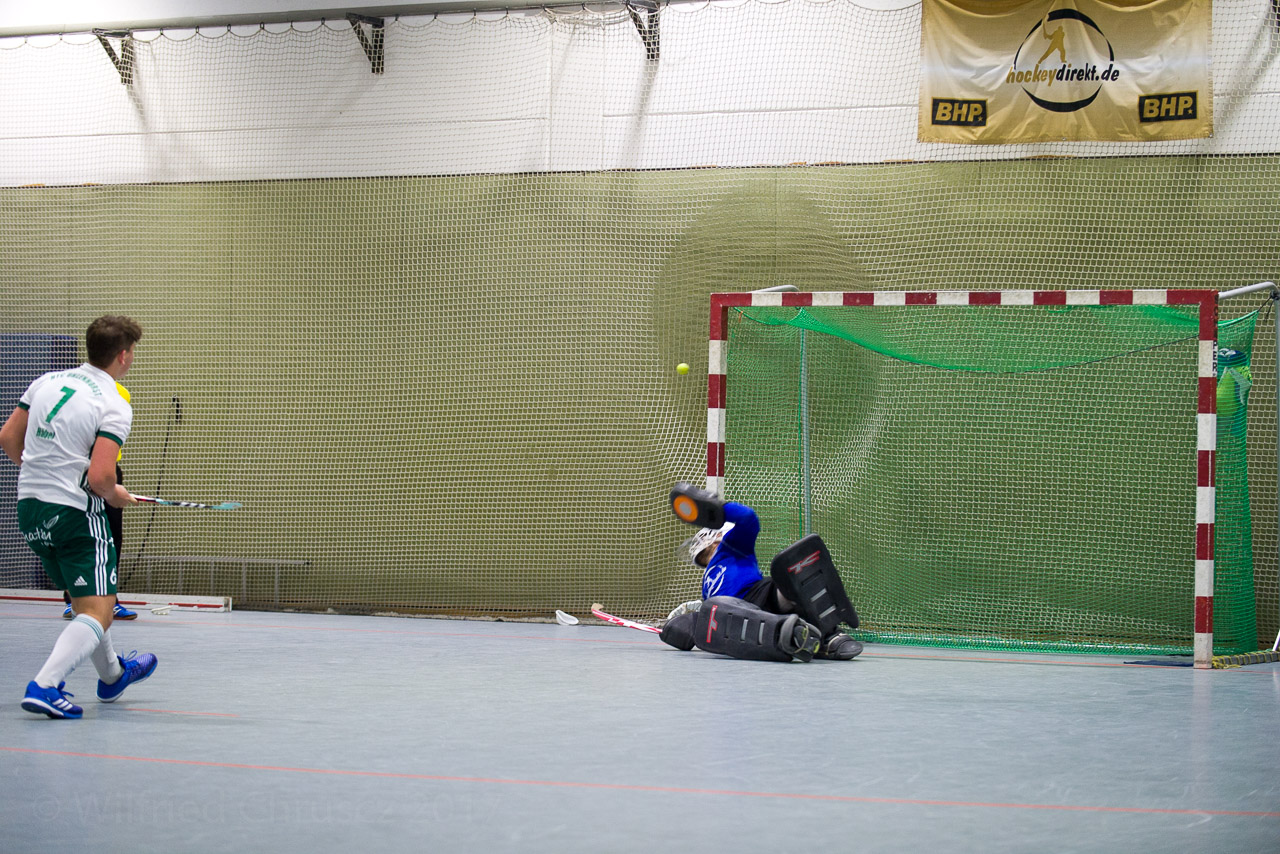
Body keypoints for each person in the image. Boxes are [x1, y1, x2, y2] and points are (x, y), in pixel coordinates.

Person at [0, 315, 158, 719]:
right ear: (124, 356)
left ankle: (113, 676)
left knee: (89, 601)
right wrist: (116, 496)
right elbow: (101, 477)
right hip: (74, 514)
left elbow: (8, 438)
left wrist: (42, 475)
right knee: (97, 611)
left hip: (30, 508)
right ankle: (45, 685)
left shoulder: (46, 381)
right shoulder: (114, 403)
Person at [661, 482, 863, 662]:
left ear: (715, 538)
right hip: (733, 615)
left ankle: (827, 634)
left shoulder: (732, 546)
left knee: (787, 583)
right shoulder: (707, 579)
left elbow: (748, 519)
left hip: (757, 594)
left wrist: (718, 509)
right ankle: (796, 635)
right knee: (711, 611)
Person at [63, 379, 136, 621]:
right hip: (76, 471)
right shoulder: (72, 389)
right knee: (76, 534)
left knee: (111, 536)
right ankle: (74, 599)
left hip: (107, 469)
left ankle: (109, 599)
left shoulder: (120, 393)